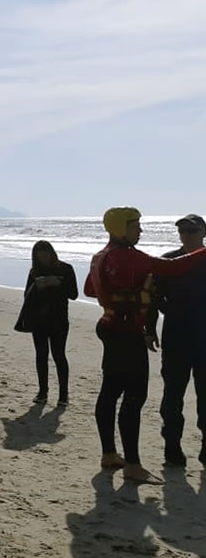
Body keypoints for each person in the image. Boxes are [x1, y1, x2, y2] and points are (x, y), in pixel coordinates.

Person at [84, 207, 206, 484]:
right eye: (135, 225)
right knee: (134, 397)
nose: (140, 230)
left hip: (109, 325)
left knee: (110, 392)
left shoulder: (101, 255)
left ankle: (109, 454)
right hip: (127, 332)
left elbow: (90, 290)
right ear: (121, 228)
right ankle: (133, 465)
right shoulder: (128, 256)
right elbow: (173, 268)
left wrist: (122, 291)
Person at [147, 214, 206, 467]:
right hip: (175, 335)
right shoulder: (169, 261)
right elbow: (151, 297)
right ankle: (172, 445)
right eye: (182, 230)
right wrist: (150, 329)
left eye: (191, 230)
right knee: (173, 394)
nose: (186, 234)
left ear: (203, 232)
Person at [14, 240, 78, 406]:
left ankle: (63, 395)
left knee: (59, 356)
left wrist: (58, 283)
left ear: (52, 253)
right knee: (41, 356)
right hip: (38, 320)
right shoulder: (34, 272)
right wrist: (38, 285)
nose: (44, 259)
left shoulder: (66, 269)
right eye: (40, 257)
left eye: (46, 256)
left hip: (59, 320)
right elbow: (26, 296)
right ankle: (43, 392)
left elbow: (74, 294)